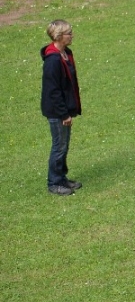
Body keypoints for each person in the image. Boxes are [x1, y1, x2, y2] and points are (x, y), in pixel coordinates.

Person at [40, 19, 83, 196]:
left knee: (64, 145)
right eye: (68, 33)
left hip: (65, 109)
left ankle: (62, 178)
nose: (72, 35)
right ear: (59, 36)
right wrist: (64, 114)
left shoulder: (66, 53)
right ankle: (54, 183)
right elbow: (53, 91)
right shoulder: (53, 61)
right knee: (59, 146)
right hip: (57, 111)